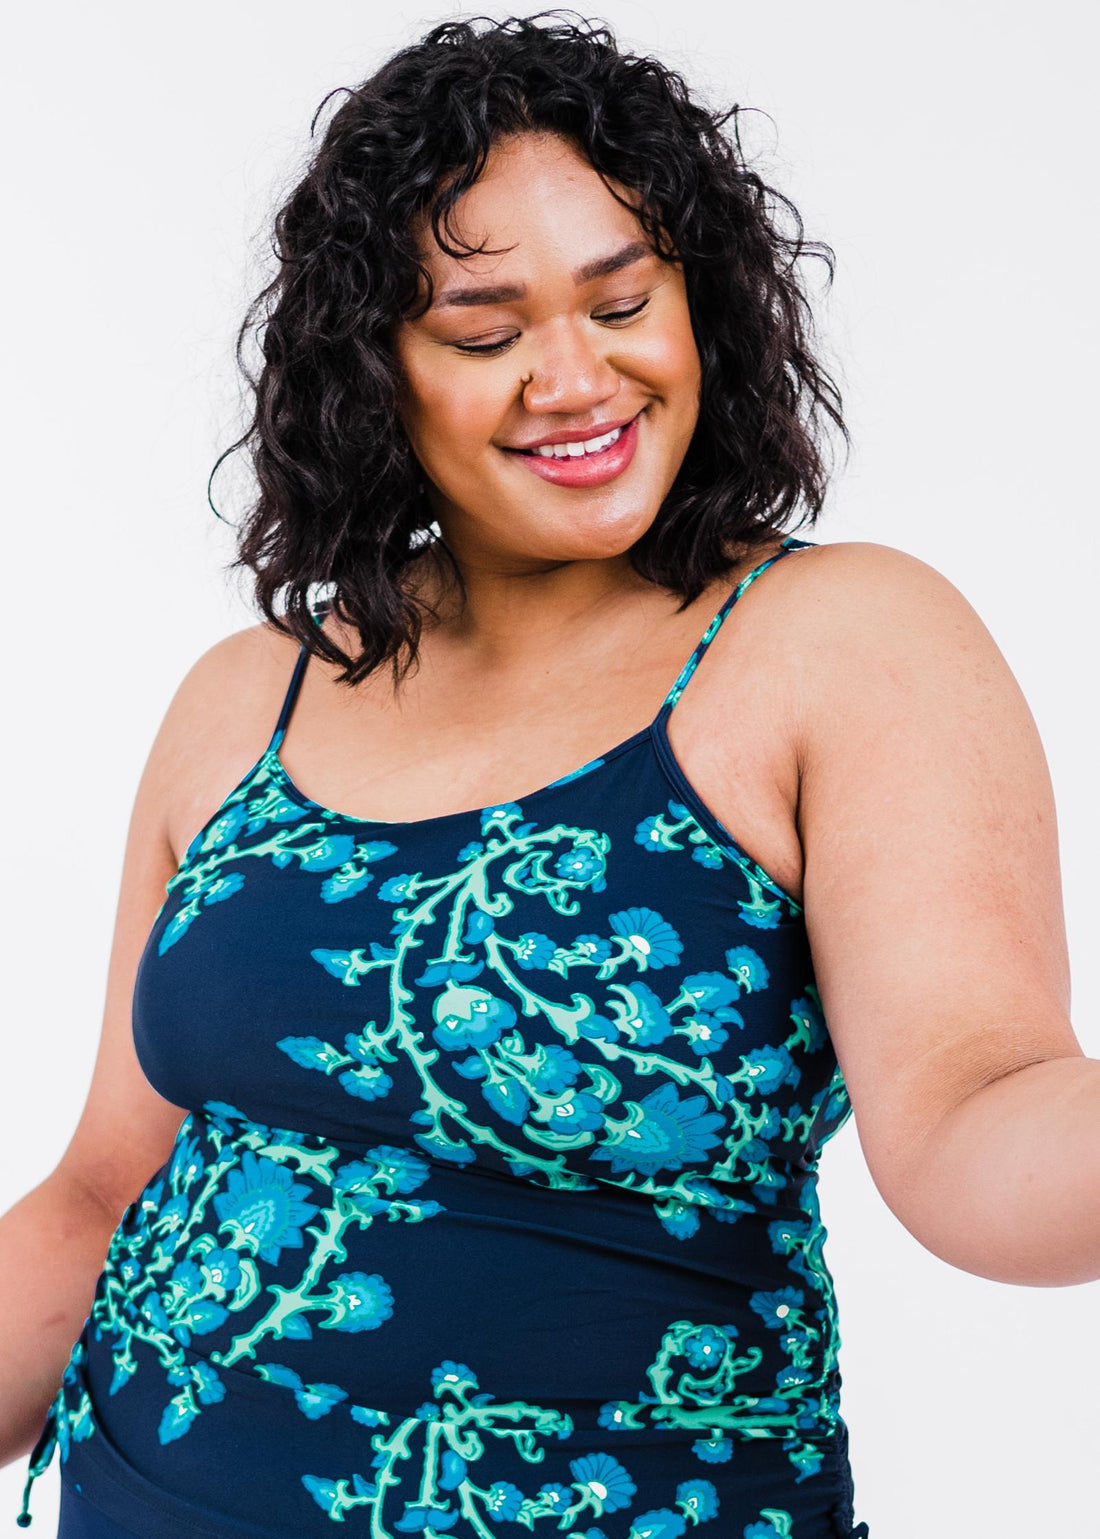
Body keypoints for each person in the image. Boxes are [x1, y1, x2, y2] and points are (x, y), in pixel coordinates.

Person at [2, 12, 1093, 1538]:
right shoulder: (250, 695)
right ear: (375, 370)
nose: (576, 378)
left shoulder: (838, 641)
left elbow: (977, 1108)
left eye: (623, 301)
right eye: (485, 332)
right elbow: (102, 1190)